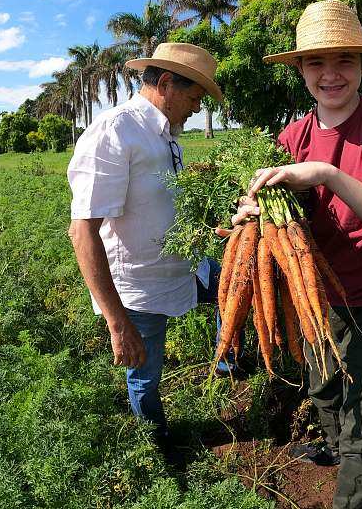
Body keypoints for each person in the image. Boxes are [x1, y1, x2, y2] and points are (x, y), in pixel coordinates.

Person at [232, 0, 362, 509]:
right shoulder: (291, 136)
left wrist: (326, 174)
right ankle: (334, 446)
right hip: (311, 296)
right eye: (316, 62)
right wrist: (248, 216)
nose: (330, 74)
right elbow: (281, 216)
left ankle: (351, 490)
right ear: (299, 69)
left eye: (344, 60)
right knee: (321, 385)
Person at [67, 42, 230, 451]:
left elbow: (162, 204)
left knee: (237, 287)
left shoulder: (166, 135)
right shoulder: (115, 131)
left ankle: (227, 361)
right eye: (194, 98)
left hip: (185, 267)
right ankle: (160, 447)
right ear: (167, 84)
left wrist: (214, 228)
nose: (196, 109)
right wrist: (118, 324)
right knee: (144, 373)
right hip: (140, 288)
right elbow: (81, 231)